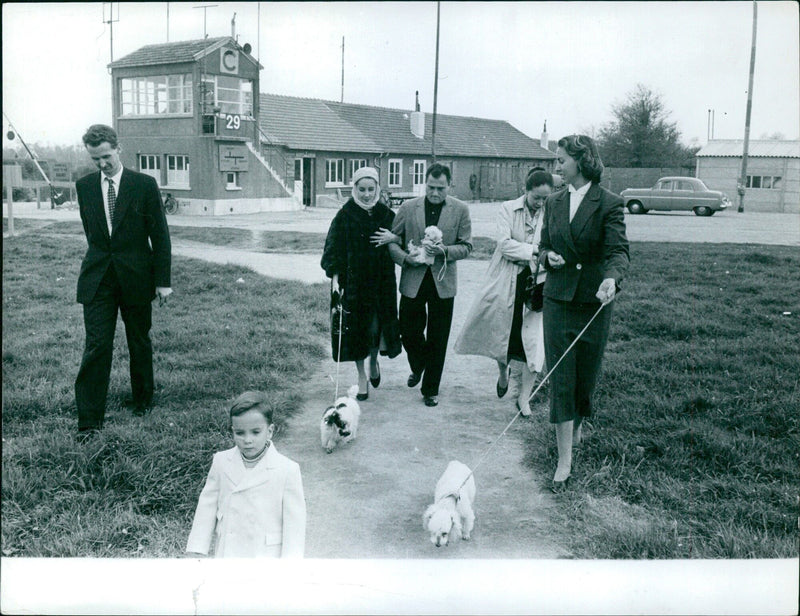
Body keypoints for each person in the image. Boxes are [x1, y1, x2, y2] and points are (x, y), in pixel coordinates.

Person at [539, 134, 630, 492]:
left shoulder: (609, 203)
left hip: (594, 301)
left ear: (582, 160)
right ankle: (565, 458)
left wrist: (612, 280)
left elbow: (618, 251)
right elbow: (544, 243)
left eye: (561, 160)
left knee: (585, 377)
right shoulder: (554, 201)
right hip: (558, 300)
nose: (556, 166)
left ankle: (576, 428)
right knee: (561, 377)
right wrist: (549, 256)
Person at [74, 124, 172, 438]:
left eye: (106, 156)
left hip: (137, 277)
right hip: (99, 278)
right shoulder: (84, 186)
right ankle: (89, 420)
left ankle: (142, 400)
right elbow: (93, 233)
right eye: (95, 159)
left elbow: (160, 235)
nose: (102, 164)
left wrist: (163, 280)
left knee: (138, 341)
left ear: (119, 149)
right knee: (97, 345)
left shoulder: (144, 185)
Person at [454, 169, 555, 416]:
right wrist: (536, 250)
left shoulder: (552, 212)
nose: (540, 203)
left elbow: (552, 242)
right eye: (536, 198)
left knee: (534, 341)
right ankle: (503, 371)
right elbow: (504, 244)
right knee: (504, 335)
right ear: (526, 191)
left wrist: (542, 254)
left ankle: (524, 397)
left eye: (545, 198)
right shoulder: (508, 209)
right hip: (508, 279)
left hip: (539, 282)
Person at [383, 163, 473, 407]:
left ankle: (430, 388)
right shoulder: (408, 207)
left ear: (449, 185)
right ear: (425, 184)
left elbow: (466, 246)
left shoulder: (461, 209)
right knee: (409, 331)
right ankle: (419, 363)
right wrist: (404, 258)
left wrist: (444, 250)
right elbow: (393, 240)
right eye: (431, 187)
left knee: (438, 336)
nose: (435, 193)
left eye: (440, 188)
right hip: (414, 278)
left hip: (442, 282)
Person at [186, 391, 306, 558]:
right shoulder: (221, 461)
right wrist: (197, 548)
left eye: (256, 432)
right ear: (232, 431)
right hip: (228, 552)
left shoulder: (287, 469)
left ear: (270, 431)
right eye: (240, 433)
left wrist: (289, 566)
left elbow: (295, 526)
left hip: (265, 555)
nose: (247, 440)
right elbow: (207, 507)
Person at [321, 166, 401, 400]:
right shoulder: (345, 215)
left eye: (371, 189)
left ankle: (374, 361)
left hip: (381, 282)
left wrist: (394, 237)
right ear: (354, 189)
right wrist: (335, 278)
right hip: (354, 284)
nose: (366, 194)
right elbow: (332, 250)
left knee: (376, 329)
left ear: (377, 188)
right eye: (362, 189)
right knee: (357, 331)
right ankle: (361, 376)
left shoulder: (387, 215)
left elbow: (404, 240)